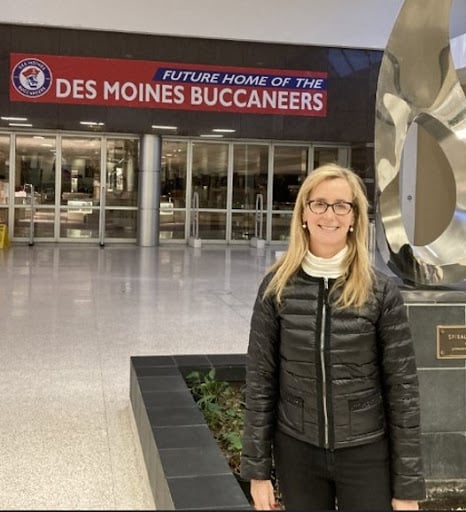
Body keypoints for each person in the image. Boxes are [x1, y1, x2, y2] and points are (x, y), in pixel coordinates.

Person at [240, 163, 425, 511]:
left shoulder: (380, 292)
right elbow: (260, 382)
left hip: (366, 452)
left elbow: (403, 392)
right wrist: (258, 472)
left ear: (355, 217)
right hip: (297, 450)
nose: (331, 214)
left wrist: (408, 487)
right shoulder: (277, 288)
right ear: (304, 214)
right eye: (319, 204)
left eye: (342, 205)